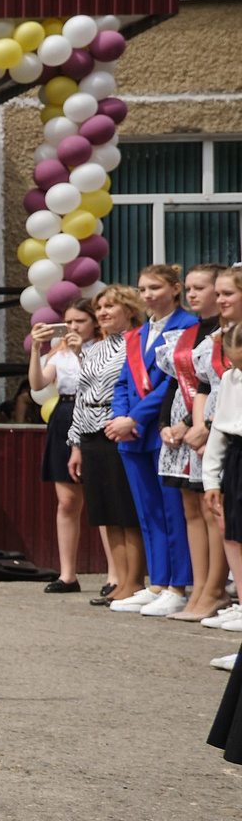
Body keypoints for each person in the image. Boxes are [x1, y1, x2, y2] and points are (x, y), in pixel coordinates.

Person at [103, 263, 195, 615]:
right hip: (133, 432)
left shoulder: (186, 326)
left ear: (175, 289)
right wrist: (120, 418)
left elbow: (173, 384)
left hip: (162, 430)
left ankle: (178, 585)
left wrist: (135, 417)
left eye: (155, 287)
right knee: (148, 512)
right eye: (142, 289)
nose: (147, 295)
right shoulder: (140, 333)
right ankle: (157, 583)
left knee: (172, 511)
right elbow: (124, 381)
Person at [67, 288, 146, 606]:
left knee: (126, 511)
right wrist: (75, 444)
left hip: (119, 429)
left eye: (110, 306)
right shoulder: (94, 348)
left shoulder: (139, 342)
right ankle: (121, 581)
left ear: (129, 309)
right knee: (106, 513)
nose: (102, 312)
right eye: (99, 307)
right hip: (90, 435)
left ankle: (135, 582)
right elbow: (81, 397)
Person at [164, 263, 228, 620]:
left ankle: (215, 589)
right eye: (188, 287)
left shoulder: (227, 332)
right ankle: (199, 587)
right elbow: (178, 382)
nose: (192, 294)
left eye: (200, 288)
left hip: (213, 426)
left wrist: (197, 422)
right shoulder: (190, 332)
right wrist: (169, 423)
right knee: (192, 510)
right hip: (190, 427)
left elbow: (218, 385)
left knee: (211, 509)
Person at [27, 306, 93, 594]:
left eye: (80, 321)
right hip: (64, 412)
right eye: (68, 322)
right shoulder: (60, 352)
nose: (73, 327)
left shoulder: (104, 348)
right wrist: (36, 349)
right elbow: (38, 382)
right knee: (67, 501)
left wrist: (82, 353)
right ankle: (68, 574)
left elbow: (97, 382)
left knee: (103, 498)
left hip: (94, 411)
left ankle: (119, 575)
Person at [200, 269, 242, 655]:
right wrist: (211, 479)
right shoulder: (232, 377)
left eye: (227, 293)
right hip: (237, 458)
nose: (220, 300)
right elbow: (220, 430)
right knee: (233, 533)